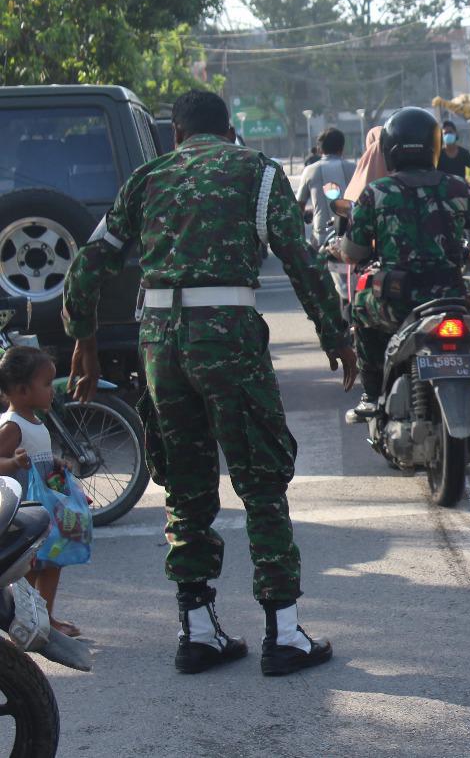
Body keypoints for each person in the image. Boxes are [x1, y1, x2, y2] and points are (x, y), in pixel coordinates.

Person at [62, 90, 358, 676]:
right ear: (229, 130)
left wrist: (85, 341)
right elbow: (298, 257)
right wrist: (337, 336)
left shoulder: (146, 179)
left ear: (175, 135)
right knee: (261, 480)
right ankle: (284, 633)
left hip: (158, 347)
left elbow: (90, 263)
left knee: (187, 488)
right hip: (227, 341)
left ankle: (197, 632)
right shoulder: (256, 171)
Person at [341, 107, 470, 420]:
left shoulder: (376, 193)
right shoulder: (458, 187)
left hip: (396, 302)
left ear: (389, 150)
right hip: (451, 297)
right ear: (435, 147)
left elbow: (353, 253)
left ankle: (372, 394)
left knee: (360, 308)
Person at [0, 346, 86, 638]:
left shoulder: (33, 420)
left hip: (47, 500)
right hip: (30, 507)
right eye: (47, 384)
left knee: (48, 562)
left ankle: (42, 617)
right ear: (23, 390)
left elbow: (40, 457)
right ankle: (36, 618)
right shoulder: (12, 425)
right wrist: (13, 462)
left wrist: (54, 462)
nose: (52, 390)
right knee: (39, 564)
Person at [296, 127, 357, 315]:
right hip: (351, 239)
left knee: (320, 287)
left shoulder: (310, 170)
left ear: (320, 150)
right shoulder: (352, 168)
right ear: (342, 148)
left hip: (321, 238)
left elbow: (298, 205)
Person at [436, 120, 470, 185]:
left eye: (450, 132)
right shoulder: (438, 154)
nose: (448, 135)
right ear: (442, 136)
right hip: (443, 190)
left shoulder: (464, 153)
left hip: (461, 189)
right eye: (445, 133)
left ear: (455, 133)